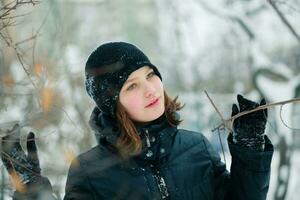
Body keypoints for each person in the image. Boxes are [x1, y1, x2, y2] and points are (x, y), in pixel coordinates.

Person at [1, 42, 273, 200]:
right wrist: (31, 192)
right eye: (131, 86)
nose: (150, 89)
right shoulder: (89, 171)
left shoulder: (196, 147)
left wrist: (250, 151)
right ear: (112, 103)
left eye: (151, 75)